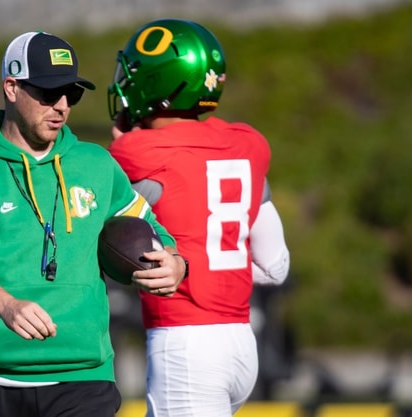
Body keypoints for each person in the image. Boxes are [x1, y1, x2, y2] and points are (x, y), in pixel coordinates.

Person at [0, 30, 187, 417]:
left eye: (72, 94)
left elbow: (145, 225)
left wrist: (175, 261)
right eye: (49, 93)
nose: (62, 106)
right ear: (11, 88)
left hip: (84, 380)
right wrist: (4, 303)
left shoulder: (95, 164)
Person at [106, 19, 291, 416]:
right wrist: (219, 269)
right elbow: (276, 267)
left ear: (160, 83)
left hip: (186, 345)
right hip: (242, 344)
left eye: (135, 73)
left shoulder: (136, 154)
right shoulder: (244, 144)